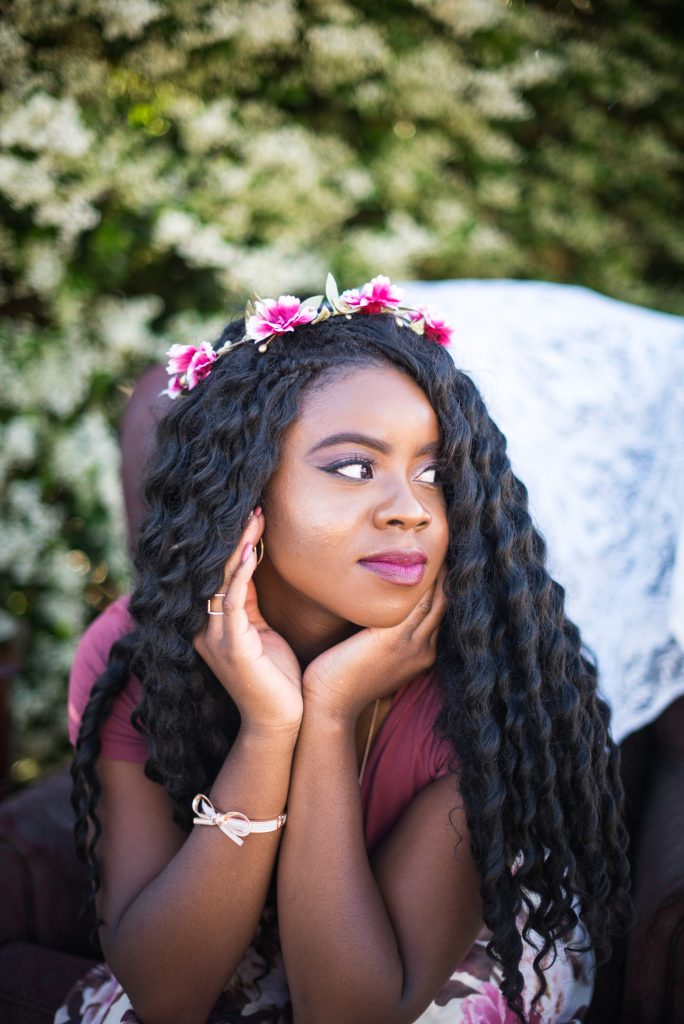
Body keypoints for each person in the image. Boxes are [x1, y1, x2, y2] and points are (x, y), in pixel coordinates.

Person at [56, 275, 632, 1024]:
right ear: (241, 490)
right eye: (355, 467)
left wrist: (328, 712)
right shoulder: (138, 653)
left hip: (452, 958)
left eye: (433, 473)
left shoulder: (483, 681)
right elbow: (165, 994)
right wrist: (269, 728)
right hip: (249, 935)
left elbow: (350, 1011)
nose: (410, 510)